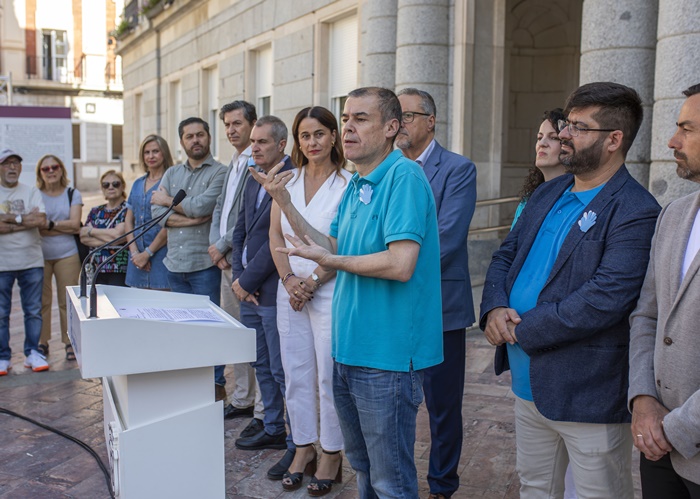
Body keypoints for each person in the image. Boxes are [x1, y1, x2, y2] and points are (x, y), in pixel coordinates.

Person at [252, 87, 443, 498]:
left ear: (392, 127)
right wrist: (284, 201)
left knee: (391, 480)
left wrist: (328, 264)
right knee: (366, 471)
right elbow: (333, 245)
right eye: (346, 117)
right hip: (351, 348)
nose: (348, 127)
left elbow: (400, 263)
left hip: (388, 356)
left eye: (361, 118)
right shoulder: (359, 182)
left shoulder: (403, 175)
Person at [480, 81, 661, 498]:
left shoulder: (636, 210)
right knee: (536, 488)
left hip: (588, 394)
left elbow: (604, 299)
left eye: (578, 127)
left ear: (613, 140)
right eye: (567, 123)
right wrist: (493, 308)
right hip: (528, 387)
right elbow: (505, 255)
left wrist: (519, 330)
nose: (563, 134)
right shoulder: (548, 192)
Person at [395, 87, 476, 499]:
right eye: (397, 115)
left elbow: (447, 238)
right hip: (393, 308)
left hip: (441, 308)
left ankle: (442, 486)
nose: (400, 123)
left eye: (408, 115)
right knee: (395, 404)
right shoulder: (387, 169)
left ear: (431, 120)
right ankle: (398, 479)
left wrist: (392, 266)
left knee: (442, 407)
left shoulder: (458, 169)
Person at [269, 106, 350, 495]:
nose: (312, 142)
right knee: (295, 372)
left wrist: (312, 282)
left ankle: (332, 452)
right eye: (305, 135)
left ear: (334, 136)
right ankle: (303, 447)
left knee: (328, 375)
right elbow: (275, 239)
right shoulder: (286, 180)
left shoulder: (349, 183)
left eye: (319, 133)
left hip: (329, 288)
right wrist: (288, 280)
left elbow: (345, 245)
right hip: (290, 291)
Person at [629, 83, 700, 497]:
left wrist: (673, 428)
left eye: (687, 129)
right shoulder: (674, 214)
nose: (672, 141)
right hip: (658, 452)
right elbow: (647, 315)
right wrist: (642, 400)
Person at [231, 116, 296, 479]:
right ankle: (272, 426)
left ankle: (294, 440)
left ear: (281, 145)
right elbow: (241, 229)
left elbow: (280, 238)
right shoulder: (250, 175)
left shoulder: (291, 178)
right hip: (248, 290)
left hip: (272, 290)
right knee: (260, 365)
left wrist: (250, 279)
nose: (253, 147)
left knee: (281, 368)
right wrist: (240, 279)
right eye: (252, 141)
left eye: (262, 142)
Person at [208, 100, 263, 427]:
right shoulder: (233, 161)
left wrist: (224, 245)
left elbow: (247, 217)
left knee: (251, 336)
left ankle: (259, 403)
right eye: (227, 124)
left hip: (243, 260)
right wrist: (216, 245)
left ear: (253, 125)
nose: (231, 130)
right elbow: (221, 208)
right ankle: (241, 397)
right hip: (225, 258)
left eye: (237, 123)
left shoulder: (256, 162)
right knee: (235, 333)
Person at [151, 117, 226, 310]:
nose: (195, 140)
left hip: (205, 267)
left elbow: (201, 207)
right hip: (174, 266)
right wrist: (192, 221)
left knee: (208, 328)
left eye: (200, 135)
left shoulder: (221, 173)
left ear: (209, 137)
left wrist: (168, 201)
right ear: (182, 142)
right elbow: (157, 215)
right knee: (182, 329)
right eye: (189, 136)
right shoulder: (171, 174)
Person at [0, 148, 49, 375]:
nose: (12, 167)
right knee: (1, 312)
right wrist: (23, 219)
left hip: (31, 260)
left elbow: (40, 219)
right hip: (2, 263)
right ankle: (3, 357)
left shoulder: (31, 191)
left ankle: (32, 353)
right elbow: (31, 219)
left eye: (15, 163)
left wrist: (9, 219)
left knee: (33, 311)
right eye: (7, 163)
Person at [35, 154, 82, 361]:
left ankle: (69, 341)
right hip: (39, 256)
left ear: (62, 169)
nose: (51, 171)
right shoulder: (35, 195)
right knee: (41, 302)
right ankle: (41, 342)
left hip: (67, 254)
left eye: (55, 167)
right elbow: (37, 227)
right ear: (40, 173)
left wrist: (50, 225)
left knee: (67, 301)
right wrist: (59, 227)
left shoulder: (73, 194)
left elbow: (74, 225)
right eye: (46, 169)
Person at [124, 135, 173, 290]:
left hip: (161, 258)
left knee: (160, 310)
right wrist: (135, 254)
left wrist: (147, 254)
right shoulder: (137, 184)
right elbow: (128, 221)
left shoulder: (171, 183)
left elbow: (170, 223)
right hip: (136, 260)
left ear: (164, 153)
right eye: (147, 152)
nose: (151, 156)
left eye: (155, 151)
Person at [512, 109, 567, 227]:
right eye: (539, 137)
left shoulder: (573, 198)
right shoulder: (528, 199)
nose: (542, 143)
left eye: (553, 138)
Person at [79, 170, 128, 286]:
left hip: (119, 269)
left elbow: (119, 236)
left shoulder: (128, 209)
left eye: (115, 184)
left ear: (123, 187)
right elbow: (83, 238)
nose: (110, 187)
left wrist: (91, 231)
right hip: (95, 269)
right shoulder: (95, 211)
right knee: (97, 304)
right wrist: (110, 236)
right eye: (106, 185)